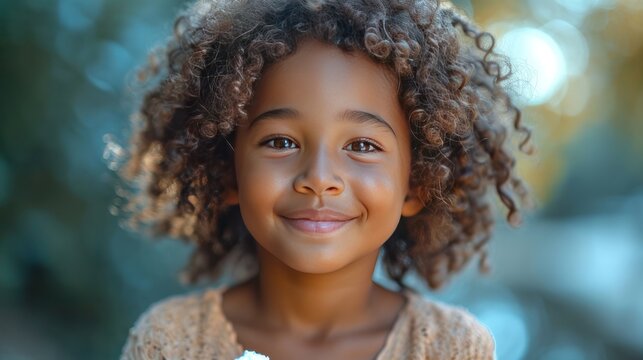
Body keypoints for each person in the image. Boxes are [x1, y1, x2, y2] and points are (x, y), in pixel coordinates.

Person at [117, 0, 530, 359]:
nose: (318, 179)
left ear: (417, 182)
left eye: (363, 146)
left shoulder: (451, 349)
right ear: (226, 171)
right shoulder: (169, 343)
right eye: (280, 141)